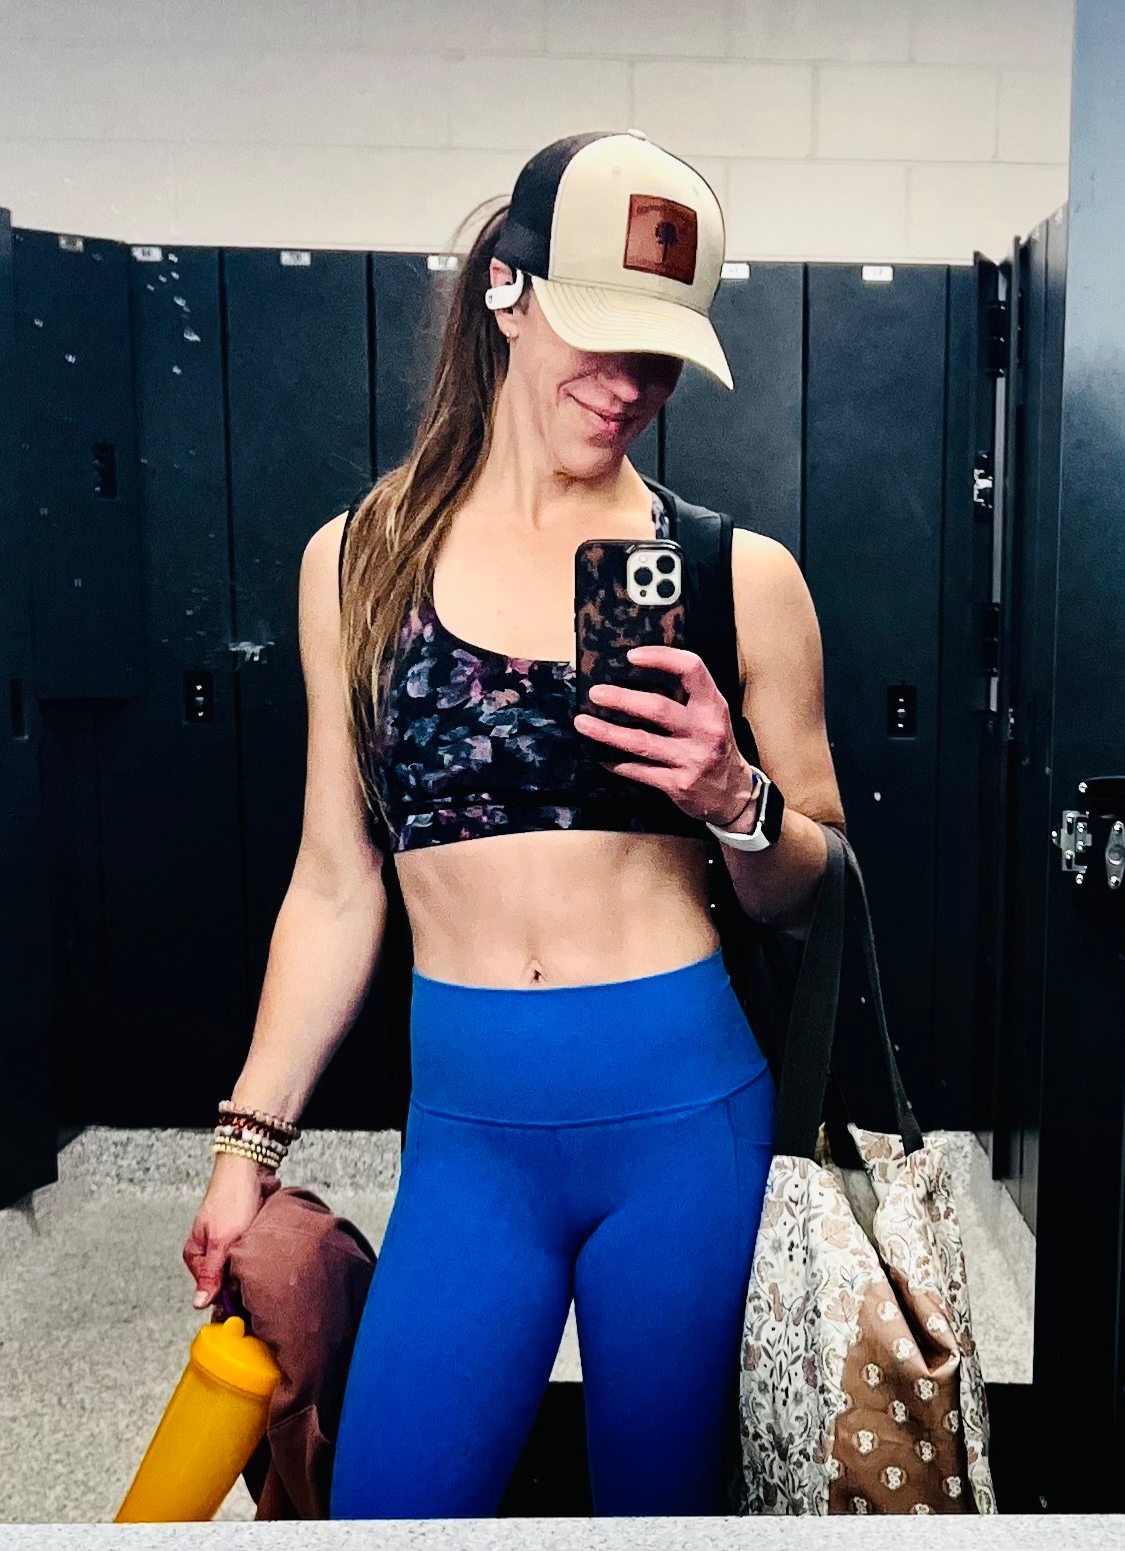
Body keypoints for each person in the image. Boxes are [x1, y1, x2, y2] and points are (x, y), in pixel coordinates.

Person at [182, 130, 846, 1518]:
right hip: (470, 1139)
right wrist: (249, 1146)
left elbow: (818, 882)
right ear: (506, 289)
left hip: (686, 1125)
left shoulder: (739, 574)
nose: (631, 385)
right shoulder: (359, 564)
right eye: (602, 336)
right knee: (390, 1509)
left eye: (662, 355)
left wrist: (735, 799)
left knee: (663, 1517)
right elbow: (334, 884)